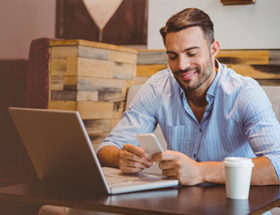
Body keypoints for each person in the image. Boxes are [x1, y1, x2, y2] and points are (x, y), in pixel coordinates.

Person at [97, 7, 280, 186]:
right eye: (173, 56)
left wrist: (200, 171)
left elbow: (278, 164)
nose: (182, 65)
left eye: (192, 53)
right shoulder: (157, 87)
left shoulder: (245, 93)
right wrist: (120, 158)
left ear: (214, 49)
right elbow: (105, 148)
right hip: (180, 205)